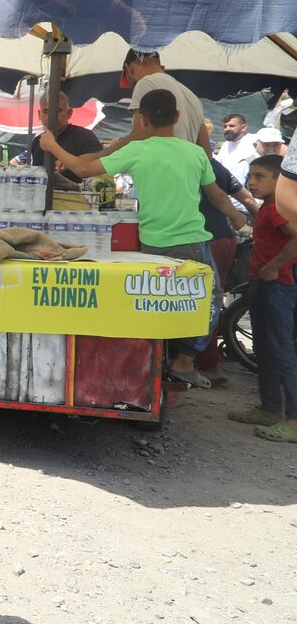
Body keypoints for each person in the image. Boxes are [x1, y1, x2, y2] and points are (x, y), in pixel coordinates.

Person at [43, 88, 246, 389]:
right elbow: (216, 194)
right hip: (192, 243)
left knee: (154, 305)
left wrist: (51, 145)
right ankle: (184, 359)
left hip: (153, 245)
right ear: (177, 117)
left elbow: (83, 169)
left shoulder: (136, 150)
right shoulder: (194, 152)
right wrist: (237, 216)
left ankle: (153, 365)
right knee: (207, 301)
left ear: (141, 119)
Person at [227, 155, 297, 443]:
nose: (251, 182)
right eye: (250, 176)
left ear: (278, 181)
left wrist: (274, 265)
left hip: (277, 285)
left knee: (281, 352)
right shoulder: (268, 209)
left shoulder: (278, 210)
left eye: (259, 177)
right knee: (265, 348)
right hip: (261, 282)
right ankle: (270, 409)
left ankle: (293, 420)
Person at [193, 156, 259, 385]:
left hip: (206, 240)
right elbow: (248, 198)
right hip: (223, 238)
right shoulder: (215, 165)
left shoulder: (193, 161)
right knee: (211, 301)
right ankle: (204, 361)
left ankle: (208, 364)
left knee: (204, 303)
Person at [108, 48, 208, 152]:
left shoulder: (145, 83)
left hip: (160, 166)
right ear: (162, 68)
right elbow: (206, 152)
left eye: (130, 83)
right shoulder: (192, 96)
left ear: (129, 69)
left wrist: (101, 156)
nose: (132, 88)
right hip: (185, 167)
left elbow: (139, 137)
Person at [12, 93, 101, 188]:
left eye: (57, 110)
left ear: (69, 113)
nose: (51, 116)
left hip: (75, 200)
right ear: (39, 114)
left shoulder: (84, 136)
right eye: (46, 111)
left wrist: (74, 186)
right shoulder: (37, 141)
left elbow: (100, 173)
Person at [216, 113, 259, 184]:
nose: (227, 129)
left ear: (243, 128)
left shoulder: (255, 140)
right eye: (225, 126)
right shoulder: (226, 145)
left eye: (231, 126)